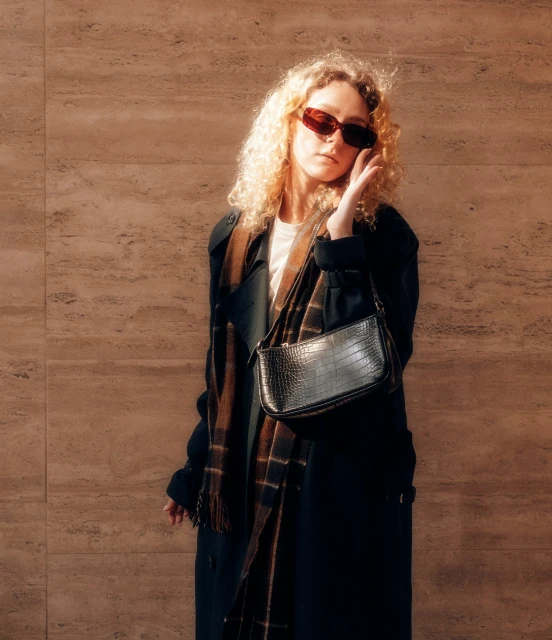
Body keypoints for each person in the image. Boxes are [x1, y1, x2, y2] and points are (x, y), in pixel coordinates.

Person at [163, 49, 420, 640]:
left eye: (353, 131)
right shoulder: (236, 236)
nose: (334, 140)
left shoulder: (383, 239)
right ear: (289, 119)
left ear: (369, 148)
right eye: (321, 121)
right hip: (242, 473)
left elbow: (373, 362)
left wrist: (341, 239)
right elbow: (224, 370)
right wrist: (196, 466)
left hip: (334, 482)